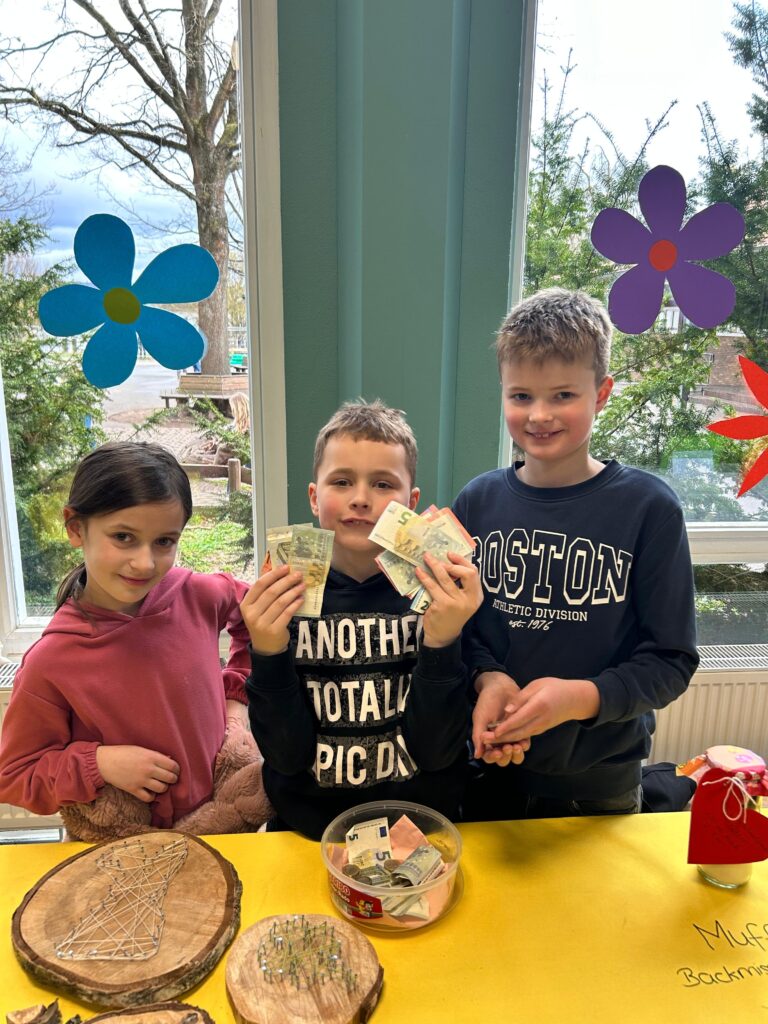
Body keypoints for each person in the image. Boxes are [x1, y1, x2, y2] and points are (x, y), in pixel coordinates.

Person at [453, 288, 699, 820]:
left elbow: (671, 659)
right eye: (521, 396)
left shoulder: (650, 509)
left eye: (563, 395)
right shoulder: (475, 502)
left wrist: (578, 698)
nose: (539, 415)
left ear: (601, 393)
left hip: (600, 786)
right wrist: (486, 678)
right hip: (487, 771)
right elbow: (458, 629)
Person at [241, 399, 482, 839]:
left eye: (382, 484)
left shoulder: (438, 597)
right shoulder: (285, 598)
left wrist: (443, 642)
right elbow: (285, 757)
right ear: (314, 497)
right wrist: (268, 650)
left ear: (411, 503)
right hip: (308, 829)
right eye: (341, 481)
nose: (360, 498)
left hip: (421, 828)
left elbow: (437, 752)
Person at [0, 441, 253, 831]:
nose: (144, 563)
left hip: (219, 832)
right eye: (123, 537)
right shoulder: (51, 661)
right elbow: (15, 775)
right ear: (75, 528)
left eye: (164, 541)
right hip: (118, 850)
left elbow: (254, 619)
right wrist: (99, 763)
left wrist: (235, 701)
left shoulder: (201, 593)